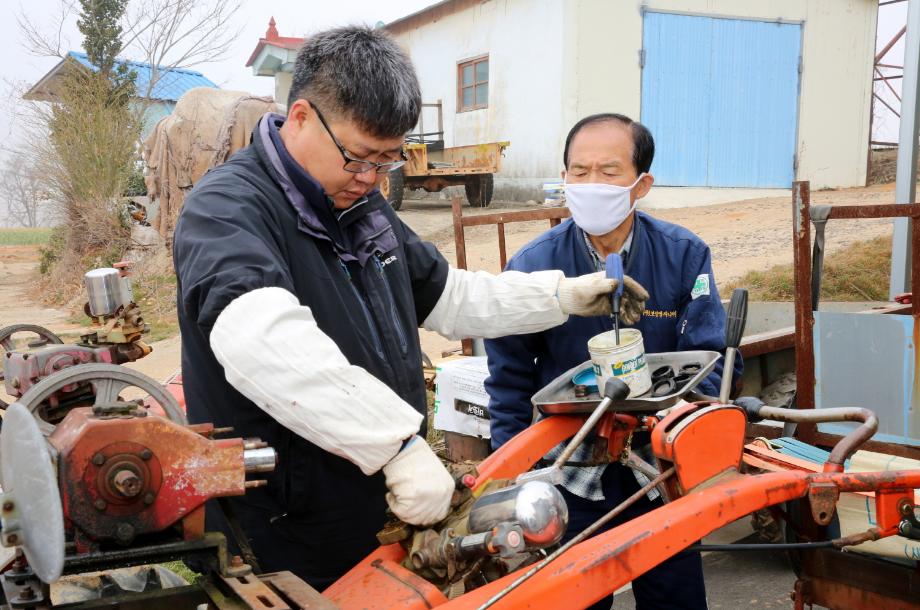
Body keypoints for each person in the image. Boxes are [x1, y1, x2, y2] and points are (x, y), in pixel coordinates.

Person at [172, 27, 647, 590]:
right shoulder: (227, 210)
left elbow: (450, 294)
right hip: (285, 521)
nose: (371, 178)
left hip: (381, 502)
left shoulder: (361, 205)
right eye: (359, 158)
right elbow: (262, 339)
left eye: (388, 162)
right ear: (300, 117)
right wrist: (395, 444)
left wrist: (559, 296)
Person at [485, 113, 743, 610]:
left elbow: (709, 357)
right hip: (570, 464)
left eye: (608, 171)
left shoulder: (683, 254)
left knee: (675, 592)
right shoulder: (533, 266)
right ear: (563, 179)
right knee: (572, 594)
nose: (590, 184)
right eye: (578, 172)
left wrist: (699, 446)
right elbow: (509, 379)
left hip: (659, 463)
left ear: (641, 184)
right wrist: (510, 480)